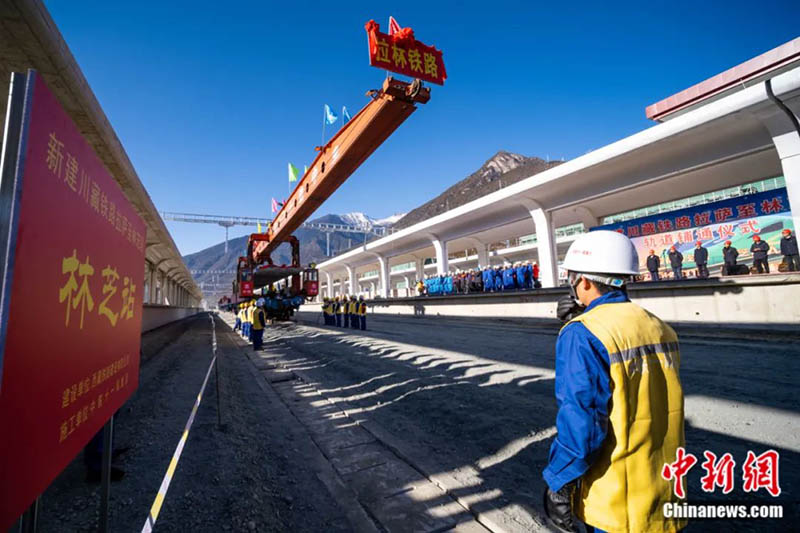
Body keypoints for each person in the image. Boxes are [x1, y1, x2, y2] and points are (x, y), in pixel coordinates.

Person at [543, 230, 686, 533]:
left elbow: (582, 418)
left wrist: (559, 481)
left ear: (584, 281)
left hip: (618, 501)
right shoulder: (660, 326)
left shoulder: (582, 334)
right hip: (666, 489)